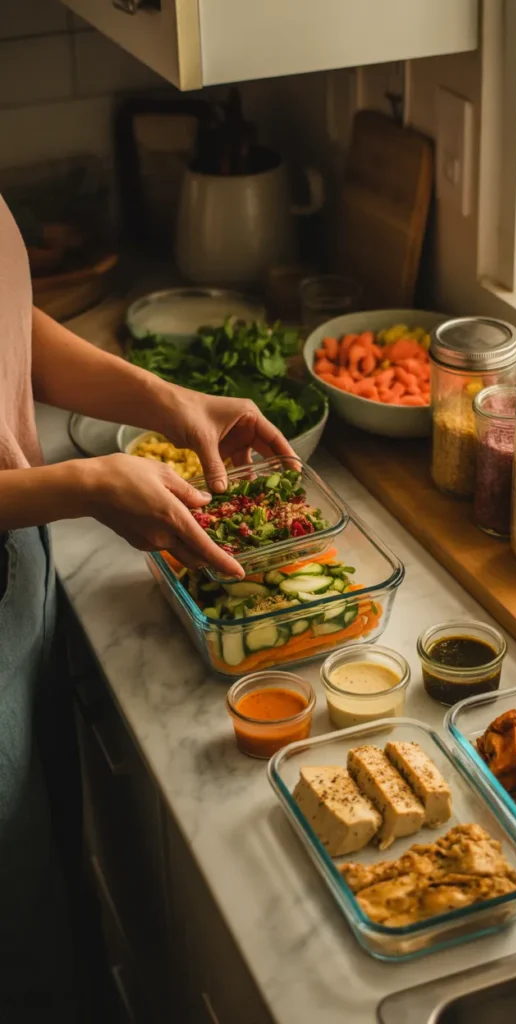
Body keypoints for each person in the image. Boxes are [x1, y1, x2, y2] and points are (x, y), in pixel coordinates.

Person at [0, 195, 293, 1021]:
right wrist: (85, 484)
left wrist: (167, 400)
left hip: (20, 555)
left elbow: (8, 325)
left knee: (47, 869)